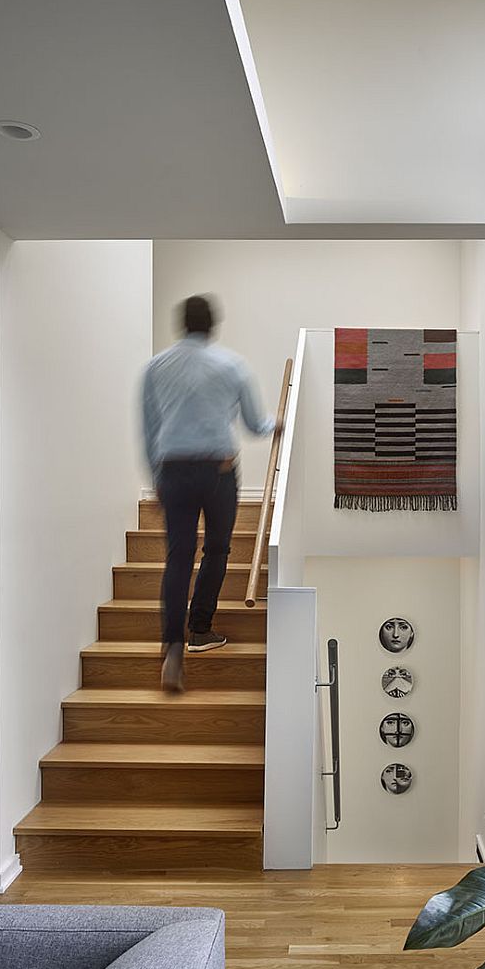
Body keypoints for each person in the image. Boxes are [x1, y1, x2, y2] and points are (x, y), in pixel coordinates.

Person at [142, 294, 275, 693]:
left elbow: (149, 429)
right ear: (212, 325)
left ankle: (172, 647)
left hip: (173, 470)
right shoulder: (231, 364)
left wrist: (156, 480)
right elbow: (255, 423)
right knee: (216, 550)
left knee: (177, 556)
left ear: (181, 324)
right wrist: (278, 424)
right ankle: (200, 628)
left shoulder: (155, 367)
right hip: (217, 471)